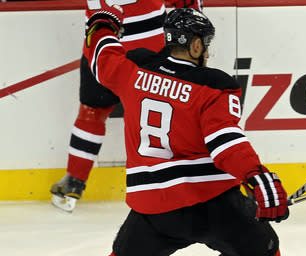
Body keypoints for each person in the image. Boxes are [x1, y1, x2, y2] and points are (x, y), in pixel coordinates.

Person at [80, 5, 290, 256]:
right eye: (205, 44)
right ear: (195, 46)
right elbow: (224, 141)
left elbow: (100, 55)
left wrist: (102, 23)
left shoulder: (133, 66)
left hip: (153, 210)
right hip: (215, 206)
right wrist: (255, 176)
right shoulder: (216, 85)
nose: (207, 51)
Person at [50, 0, 202, 212]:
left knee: (92, 112)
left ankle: (73, 182)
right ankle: (179, 182)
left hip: (101, 45)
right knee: (168, 113)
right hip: (152, 48)